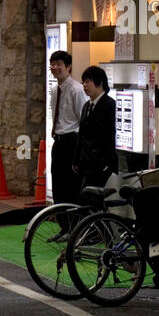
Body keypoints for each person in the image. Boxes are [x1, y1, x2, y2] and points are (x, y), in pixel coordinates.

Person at [49, 50, 88, 205]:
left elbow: (83, 120)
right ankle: (63, 223)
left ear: (68, 67)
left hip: (72, 141)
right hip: (58, 141)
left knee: (71, 185)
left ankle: (73, 225)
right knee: (58, 184)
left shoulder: (77, 90)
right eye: (52, 64)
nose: (55, 67)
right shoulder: (54, 90)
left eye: (59, 64)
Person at [73, 66, 117, 198]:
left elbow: (110, 136)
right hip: (85, 163)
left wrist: (105, 163)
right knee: (85, 198)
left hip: (101, 164)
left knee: (90, 198)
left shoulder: (110, 105)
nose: (85, 86)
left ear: (100, 83)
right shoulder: (87, 106)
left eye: (88, 82)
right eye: (83, 82)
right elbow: (81, 135)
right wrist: (76, 159)